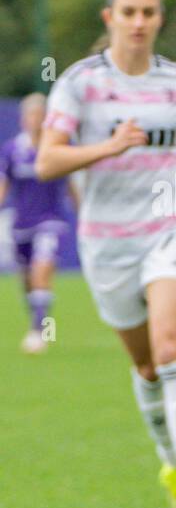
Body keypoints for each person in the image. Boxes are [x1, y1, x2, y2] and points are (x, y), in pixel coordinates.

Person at [36, 0, 176, 508]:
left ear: (159, 18)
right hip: (105, 241)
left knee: (172, 347)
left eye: (148, 12)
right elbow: (48, 160)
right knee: (147, 366)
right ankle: (171, 464)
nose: (139, 22)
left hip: (172, 218)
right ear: (110, 16)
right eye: (128, 12)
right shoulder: (80, 84)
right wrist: (108, 147)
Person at [1, 93, 75, 353]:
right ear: (23, 120)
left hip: (51, 221)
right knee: (27, 281)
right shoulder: (12, 150)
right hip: (21, 224)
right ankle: (36, 319)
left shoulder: (59, 149)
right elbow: (3, 186)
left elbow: (73, 185)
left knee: (41, 271)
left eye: (40, 116)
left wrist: (85, 214)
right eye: (30, 116)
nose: (35, 121)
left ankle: (38, 331)